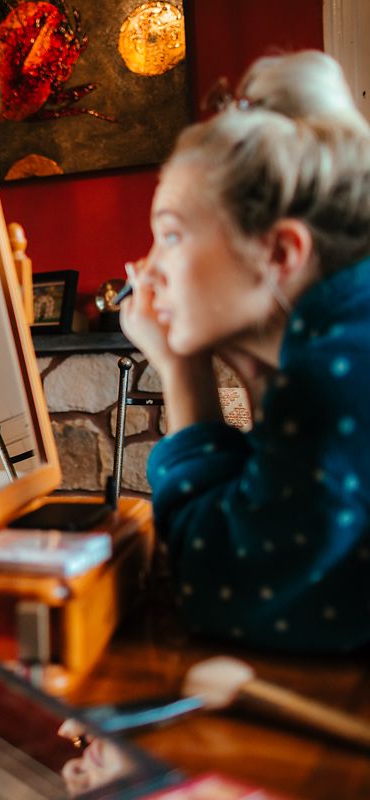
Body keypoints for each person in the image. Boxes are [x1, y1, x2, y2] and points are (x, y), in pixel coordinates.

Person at [120, 51, 370, 653]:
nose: (145, 270)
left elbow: (219, 586)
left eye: (172, 234)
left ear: (281, 254)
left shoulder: (334, 379)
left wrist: (181, 370)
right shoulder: (337, 342)